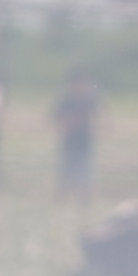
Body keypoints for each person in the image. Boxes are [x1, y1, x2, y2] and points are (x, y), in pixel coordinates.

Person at [52, 68, 101, 205]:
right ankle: (61, 200)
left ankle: (83, 201)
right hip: (69, 139)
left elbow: (97, 114)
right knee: (66, 170)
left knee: (84, 170)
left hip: (84, 138)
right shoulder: (66, 98)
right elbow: (55, 116)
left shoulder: (89, 97)